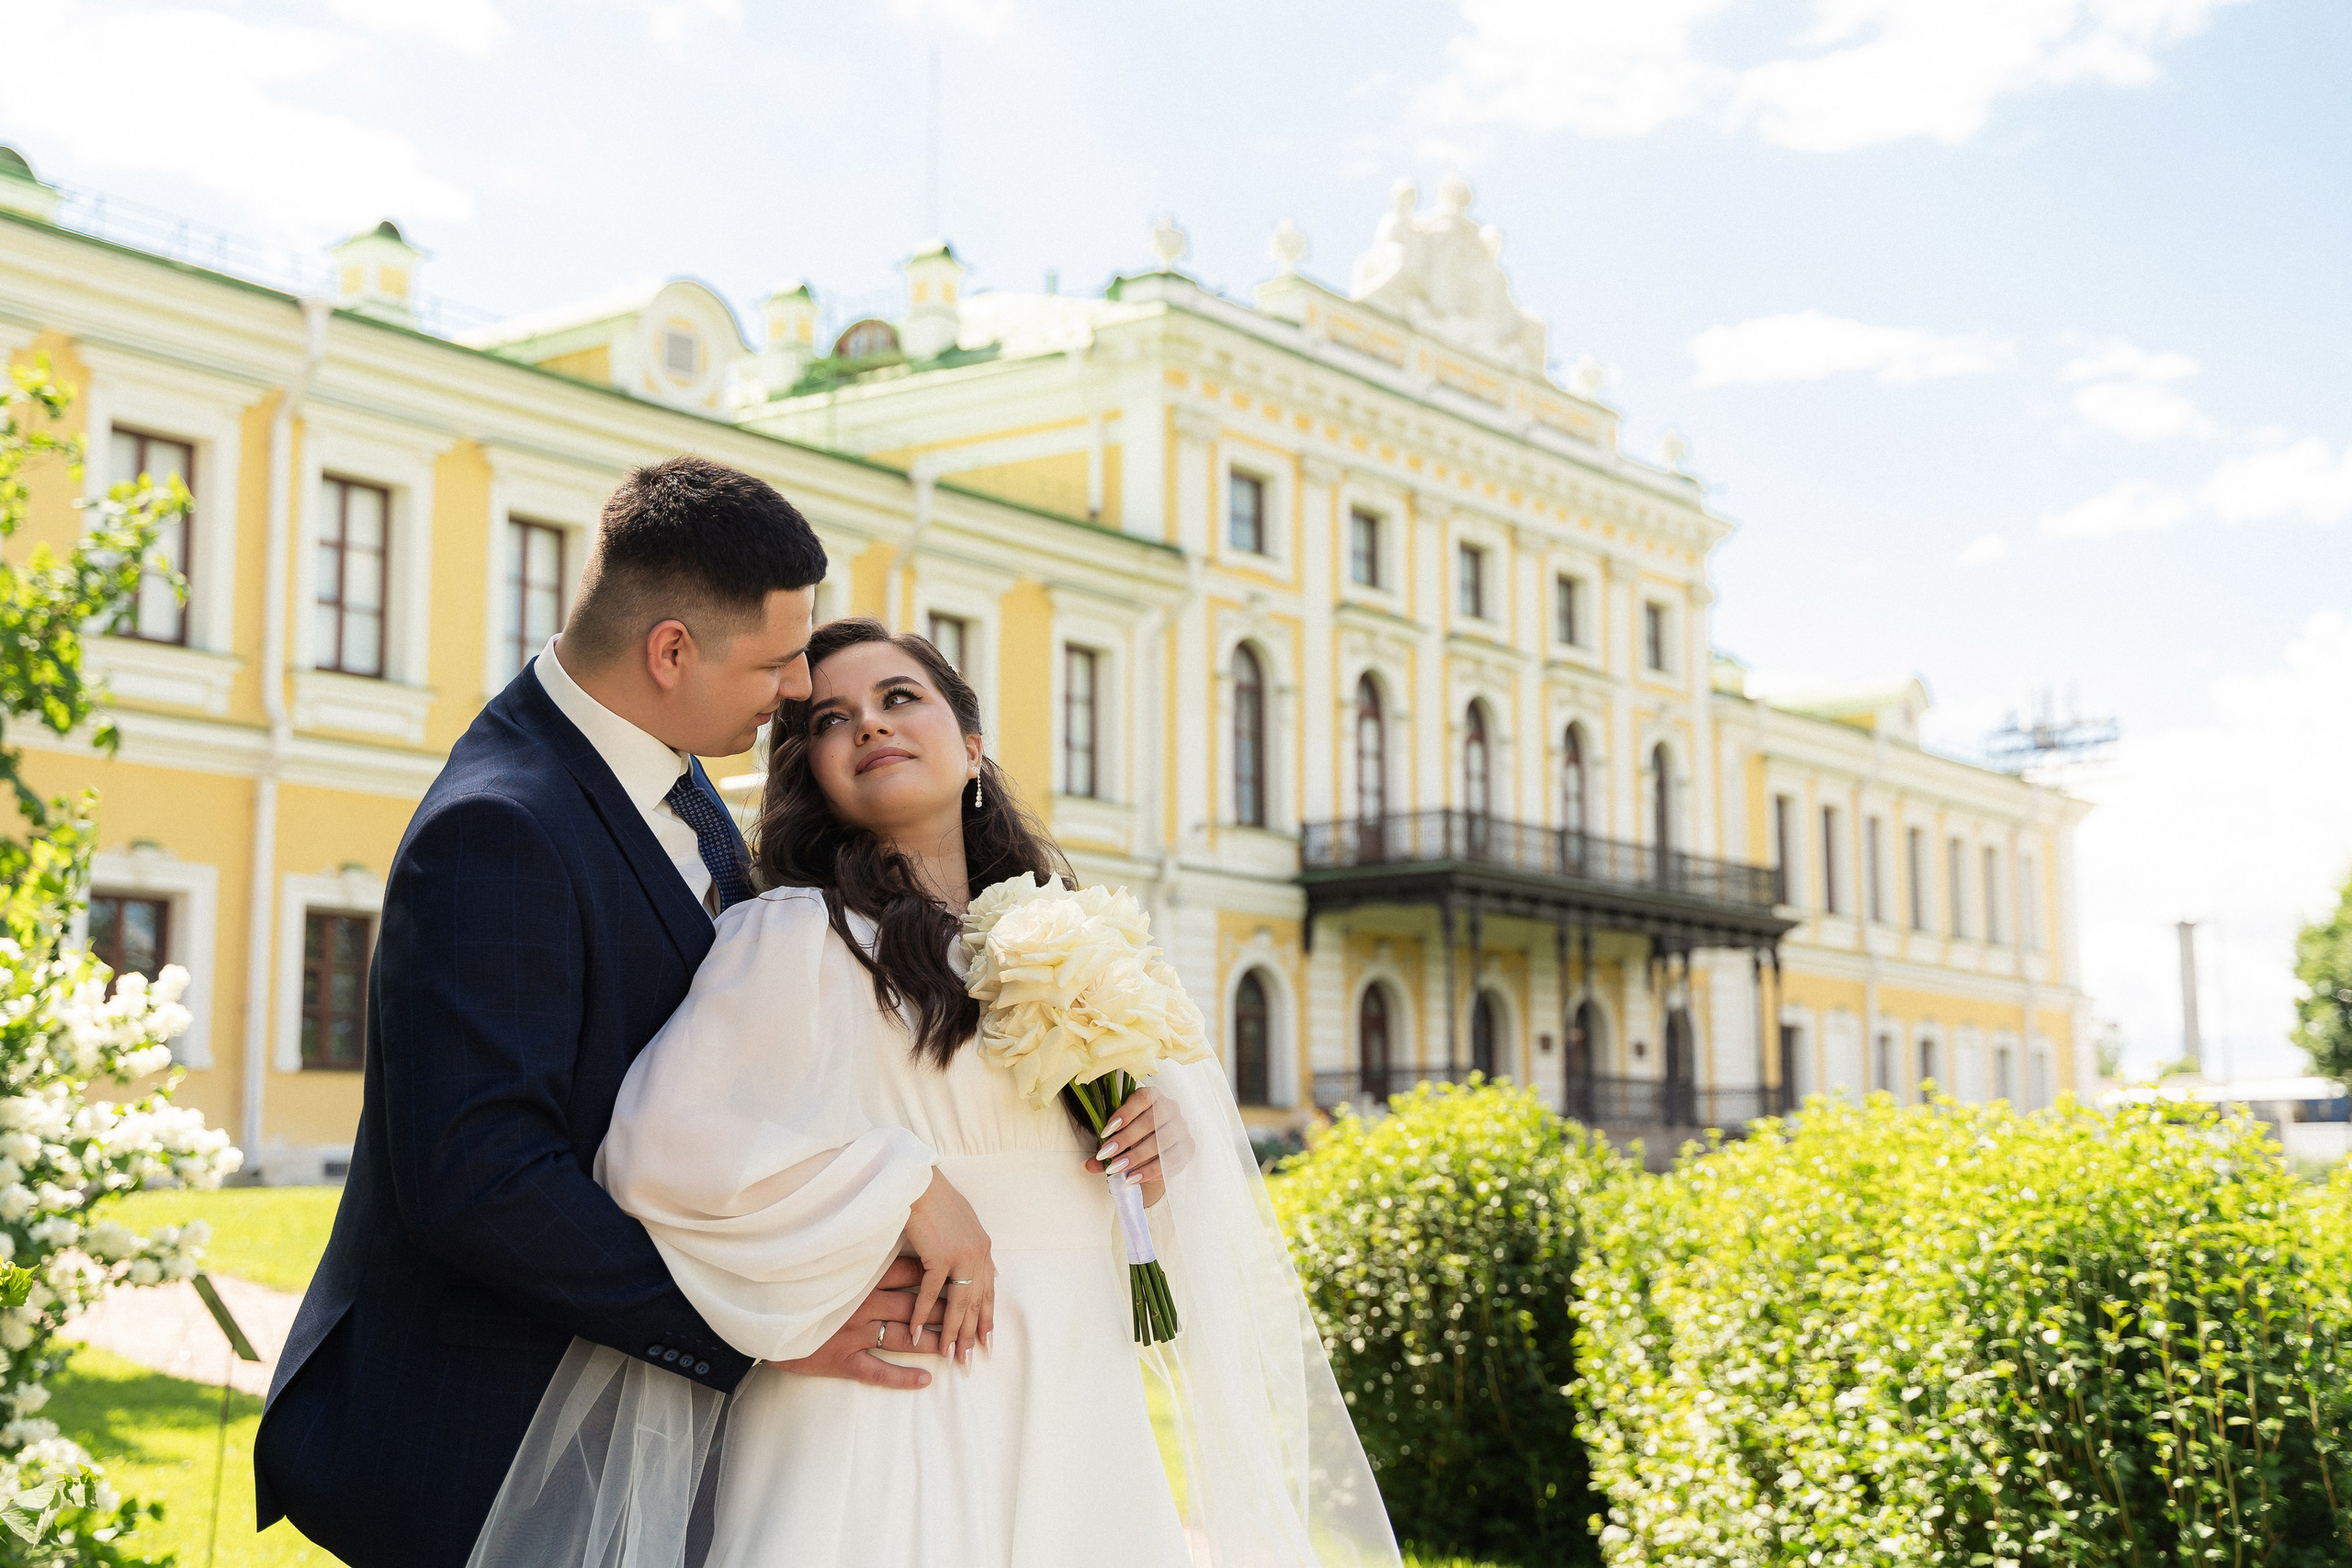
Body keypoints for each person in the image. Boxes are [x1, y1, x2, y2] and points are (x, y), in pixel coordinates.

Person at [468, 618, 1401, 1568]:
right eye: (831, 719)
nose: (869, 725)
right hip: (891, 1397)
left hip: (1075, 1393)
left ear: (972, 747)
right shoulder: (797, 934)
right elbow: (664, 1148)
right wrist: (907, 1184)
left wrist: (1155, 1144)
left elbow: (1137, 1212)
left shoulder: (1079, 942)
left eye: (898, 697)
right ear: (813, 772)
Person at [255, 457, 964, 1565]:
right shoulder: (500, 826)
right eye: (775, 661)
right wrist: (757, 1329)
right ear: (669, 651)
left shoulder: (666, 777)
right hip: (496, 1445)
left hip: (641, 1443)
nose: (794, 689)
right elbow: (480, 1178)